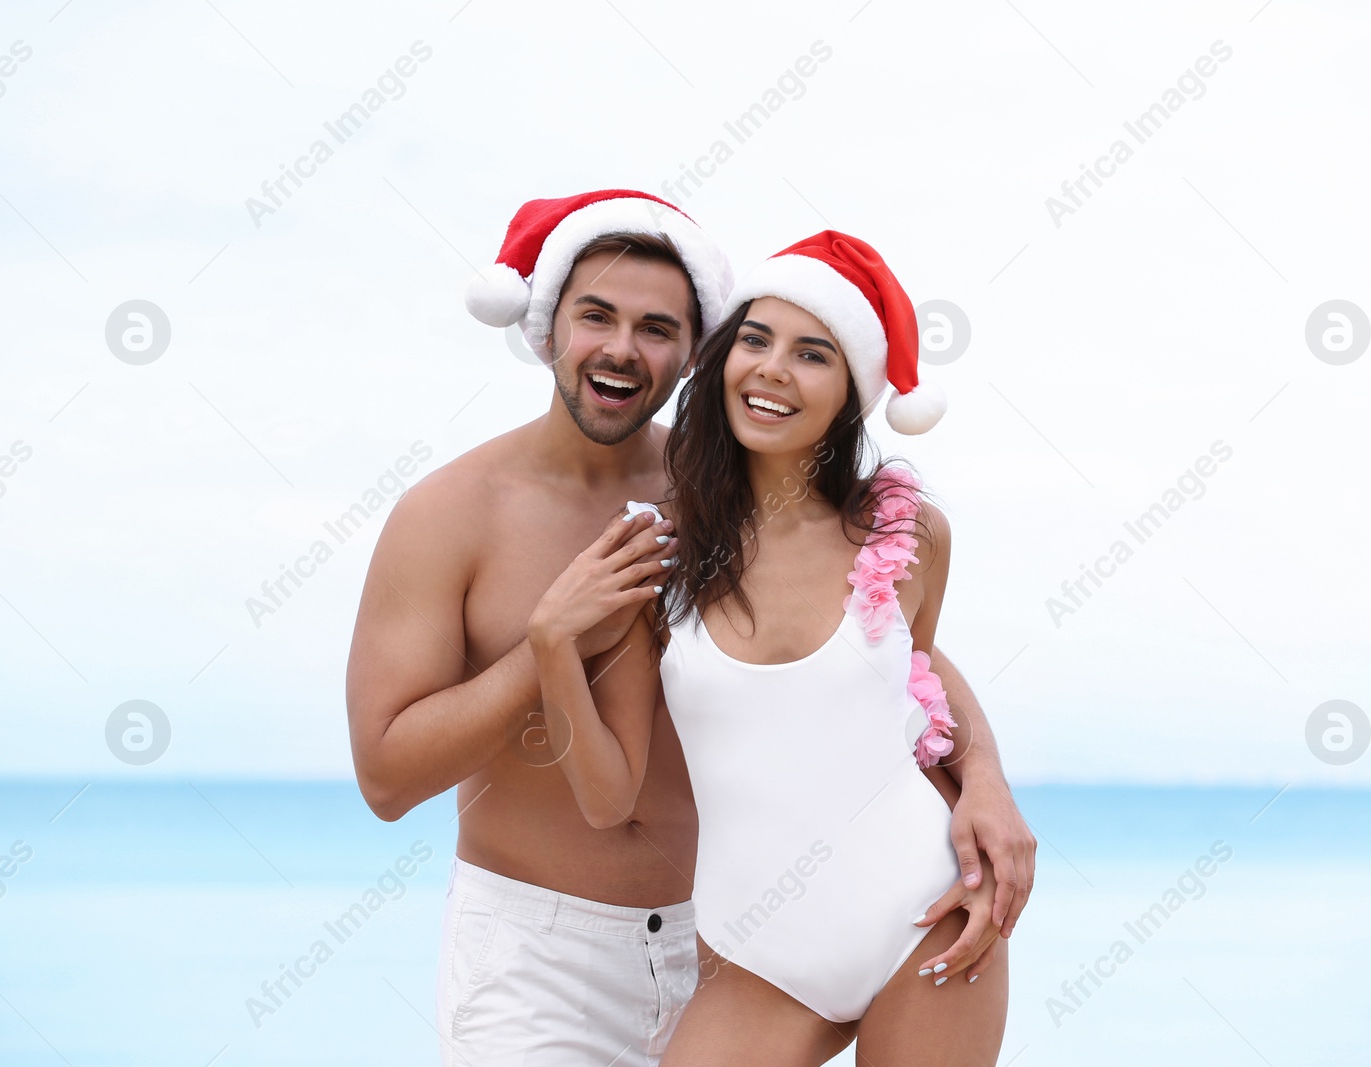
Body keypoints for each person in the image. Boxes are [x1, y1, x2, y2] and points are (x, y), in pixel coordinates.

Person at [345, 191, 1034, 1066]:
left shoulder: (718, 491)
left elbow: (892, 649)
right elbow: (384, 779)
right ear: (548, 323)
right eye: (596, 314)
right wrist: (550, 638)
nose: (622, 348)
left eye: (657, 327)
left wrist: (985, 779)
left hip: (719, 942)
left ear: (691, 354)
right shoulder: (450, 512)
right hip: (541, 960)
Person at [529, 231, 1010, 1064]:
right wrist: (550, 645)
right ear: (721, 364)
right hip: (758, 955)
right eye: (754, 340)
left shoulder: (907, 534)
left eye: (812, 354)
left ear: (850, 392)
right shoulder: (663, 557)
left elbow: (919, 687)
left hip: (931, 918)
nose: (774, 369)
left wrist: (989, 785)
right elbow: (609, 799)